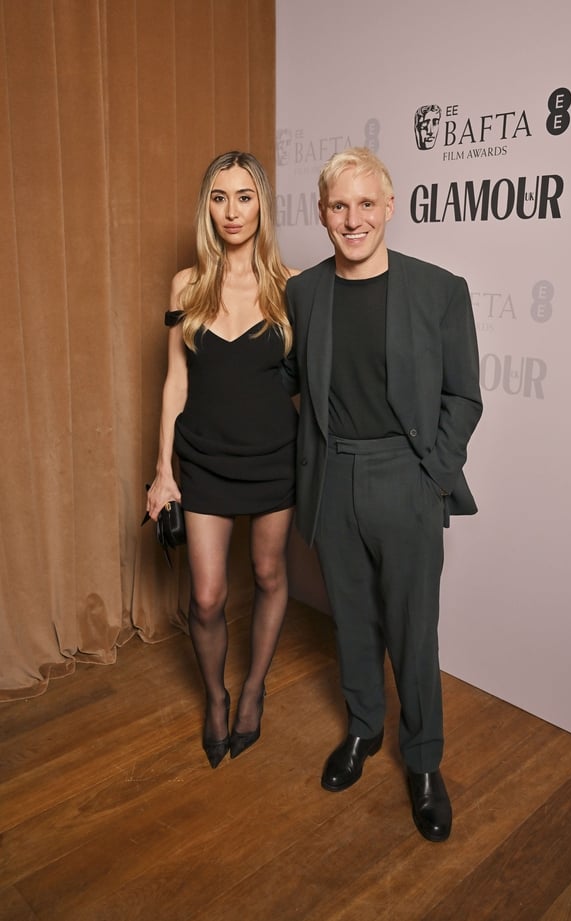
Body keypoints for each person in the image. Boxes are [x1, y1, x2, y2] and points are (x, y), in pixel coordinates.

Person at [282, 147, 482, 842]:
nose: (353, 218)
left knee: (412, 630)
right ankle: (364, 730)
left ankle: (423, 762)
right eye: (339, 205)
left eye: (367, 203)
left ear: (390, 207)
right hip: (334, 476)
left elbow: (463, 393)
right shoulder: (303, 293)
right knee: (354, 620)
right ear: (321, 213)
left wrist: (433, 472)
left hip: (407, 477)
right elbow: (287, 385)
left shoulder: (439, 289)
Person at [146, 151, 298, 769]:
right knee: (205, 598)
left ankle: (254, 688)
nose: (231, 210)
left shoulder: (292, 286)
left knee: (267, 576)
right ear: (206, 207)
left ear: (262, 204)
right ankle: (215, 697)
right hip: (203, 459)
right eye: (218, 197)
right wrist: (163, 470)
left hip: (274, 460)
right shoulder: (186, 284)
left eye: (243, 196)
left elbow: (307, 387)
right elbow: (174, 381)